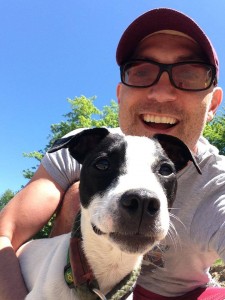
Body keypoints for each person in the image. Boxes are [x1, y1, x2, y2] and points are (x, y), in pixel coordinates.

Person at [0, 7, 225, 300]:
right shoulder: (89, 145)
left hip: (179, 294)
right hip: (76, 275)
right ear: (120, 94)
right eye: (142, 72)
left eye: (189, 74)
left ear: (212, 105)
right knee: (77, 191)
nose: (161, 93)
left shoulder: (217, 184)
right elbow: (5, 232)